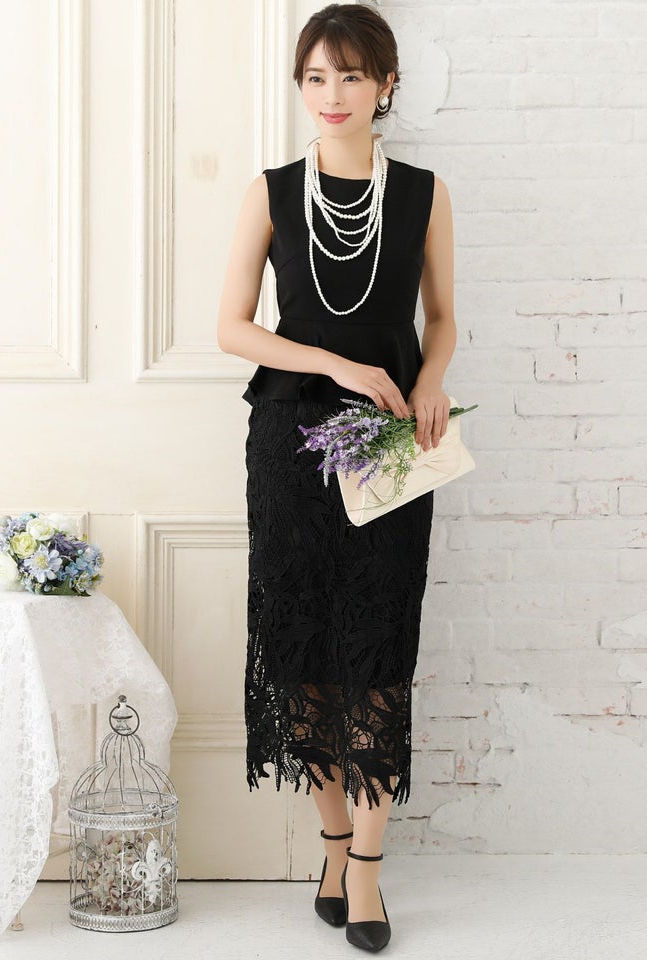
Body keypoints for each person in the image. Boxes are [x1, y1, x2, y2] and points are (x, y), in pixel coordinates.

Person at [217, 4, 456, 953]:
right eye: (316, 77)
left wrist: (429, 380)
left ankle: (366, 866)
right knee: (302, 646)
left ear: (386, 84)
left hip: (391, 441)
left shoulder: (425, 193)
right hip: (289, 439)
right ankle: (331, 842)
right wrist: (332, 362)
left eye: (351, 75)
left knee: (378, 644)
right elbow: (232, 327)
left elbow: (443, 318)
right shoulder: (273, 192)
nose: (331, 94)